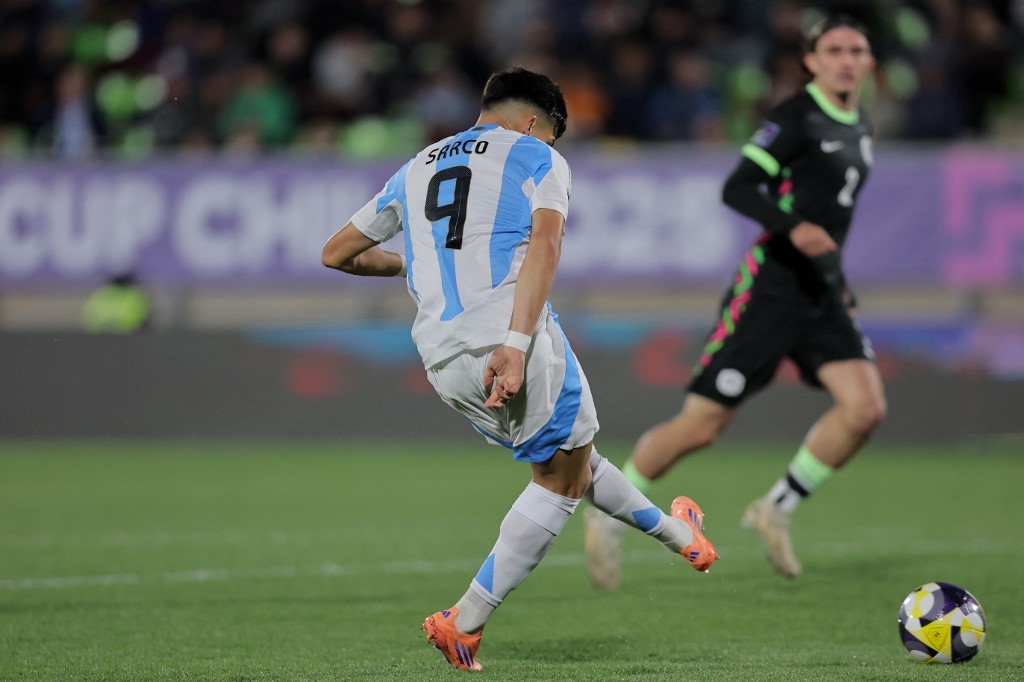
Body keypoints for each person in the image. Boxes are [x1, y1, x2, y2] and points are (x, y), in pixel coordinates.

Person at [321, 66, 719, 672]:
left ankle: (681, 536)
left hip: (441, 356)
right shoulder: (535, 155)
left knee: (569, 458)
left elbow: (335, 253)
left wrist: (417, 265)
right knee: (558, 478)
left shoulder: (418, 167)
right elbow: (546, 244)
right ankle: (465, 621)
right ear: (535, 122)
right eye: (553, 135)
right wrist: (515, 341)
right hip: (508, 338)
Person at [585, 15, 886, 587]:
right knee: (701, 427)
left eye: (858, 50)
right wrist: (793, 229)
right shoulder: (796, 116)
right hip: (770, 289)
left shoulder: (862, 125)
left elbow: (833, 219)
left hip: (820, 293)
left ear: (869, 62)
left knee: (865, 407)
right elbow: (738, 186)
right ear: (812, 61)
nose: (847, 59)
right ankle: (611, 514)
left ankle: (775, 507)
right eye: (835, 50)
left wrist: (837, 280)